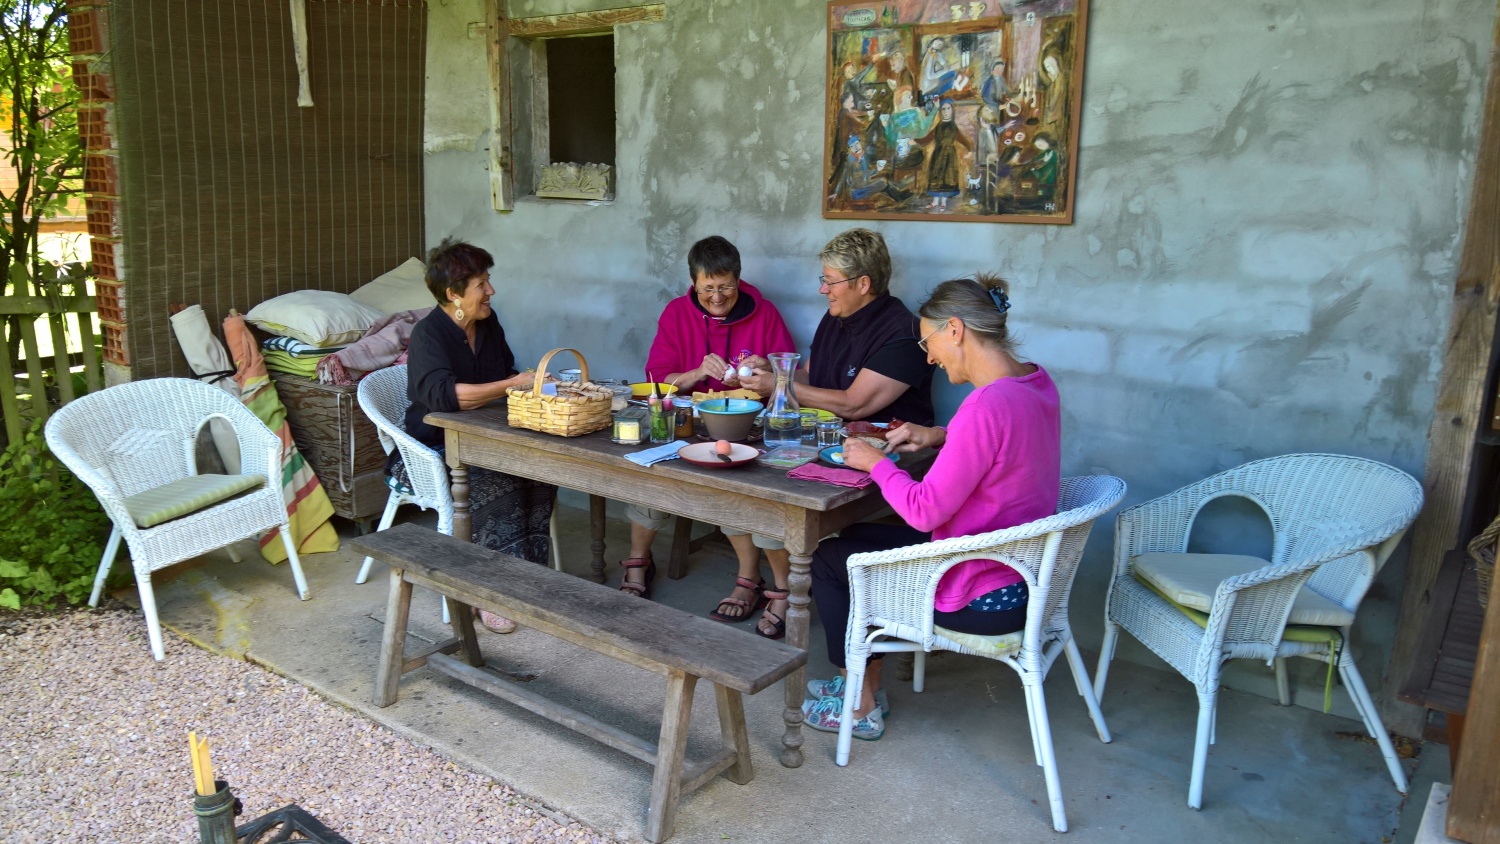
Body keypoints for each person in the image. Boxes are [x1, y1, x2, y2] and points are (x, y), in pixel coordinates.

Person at [799, 274, 1061, 741]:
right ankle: (859, 683)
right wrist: (941, 436)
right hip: (1021, 570)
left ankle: (858, 705)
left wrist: (877, 462)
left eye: (929, 342)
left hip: (981, 588)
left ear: (955, 330)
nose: (929, 357)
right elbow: (1003, 447)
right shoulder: (1034, 383)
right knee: (854, 545)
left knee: (831, 560)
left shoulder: (986, 405)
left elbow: (923, 511)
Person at [621, 236, 800, 640]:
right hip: (688, 426)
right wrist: (696, 374)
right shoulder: (676, 313)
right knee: (648, 472)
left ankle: (750, 580)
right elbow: (655, 381)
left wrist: (765, 372)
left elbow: (788, 381)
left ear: (739, 279)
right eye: (707, 290)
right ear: (692, 282)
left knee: (748, 488)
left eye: (725, 288)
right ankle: (638, 560)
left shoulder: (765, 313)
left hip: (747, 428)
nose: (717, 298)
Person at [398, 238, 558, 634]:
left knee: (541, 471)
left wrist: (532, 386)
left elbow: (504, 371)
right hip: (434, 445)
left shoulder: (487, 323)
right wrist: (510, 384)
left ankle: (527, 578)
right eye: (481, 284)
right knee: (494, 477)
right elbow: (443, 396)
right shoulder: (428, 335)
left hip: (485, 434)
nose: (491, 291)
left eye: (488, 281)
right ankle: (489, 592)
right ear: (454, 294)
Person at [742, 228, 934, 428]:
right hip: (830, 443)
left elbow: (854, 405)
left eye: (831, 282)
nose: (823, 289)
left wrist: (779, 385)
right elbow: (809, 377)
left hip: (890, 452)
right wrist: (774, 373)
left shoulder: (904, 334)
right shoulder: (836, 315)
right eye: (824, 280)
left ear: (863, 284)